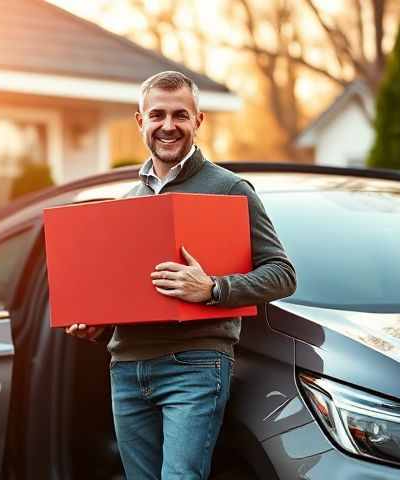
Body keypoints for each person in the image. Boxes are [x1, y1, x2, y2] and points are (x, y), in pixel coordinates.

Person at [65, 71, 296, 480]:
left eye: (180, 115)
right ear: (140, 122)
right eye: (157, 115)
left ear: (198, 121)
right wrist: (96, 325)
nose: (168, 126)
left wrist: (213, 288)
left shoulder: (230, 189)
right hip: (127, 368)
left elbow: (281, 274)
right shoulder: (125, 203)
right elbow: (126, 293)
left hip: (195, 366)